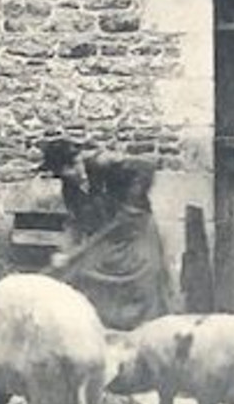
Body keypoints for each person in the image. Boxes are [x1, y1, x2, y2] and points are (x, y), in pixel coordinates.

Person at [39, 138, 173, 331]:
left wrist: (131, 204)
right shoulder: (70, 188)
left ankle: (149, 331)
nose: (66, 176)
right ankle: (108, 329)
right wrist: (66, 251)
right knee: (83, 273)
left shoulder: (102, 164)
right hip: (111, 238)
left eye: (67, 170)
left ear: (76, 160)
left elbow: (146, 167)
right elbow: (76, 222)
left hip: (136, 232)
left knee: (145, 281)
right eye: (61, 174)